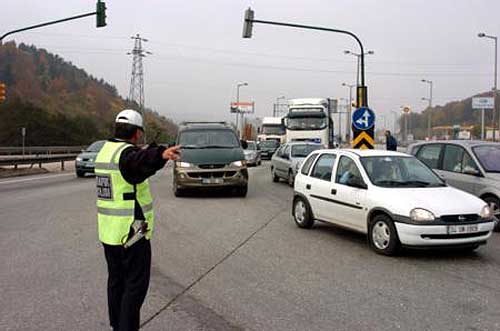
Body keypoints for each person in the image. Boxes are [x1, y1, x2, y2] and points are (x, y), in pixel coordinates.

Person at [94, 109, 180, 331]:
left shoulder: (105, 151)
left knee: (116, 282)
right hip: (133, 230)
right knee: (135, 285)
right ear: (137, 133)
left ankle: (118, 325)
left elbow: (137, 158)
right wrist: (161, 154)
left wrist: (153, 152)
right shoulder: (126, 154)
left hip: (108, 232)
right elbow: (138, 160)